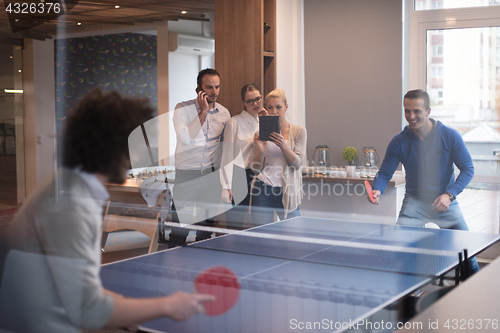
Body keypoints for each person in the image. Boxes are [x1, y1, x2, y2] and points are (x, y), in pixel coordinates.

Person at [0, 90, 214, 333]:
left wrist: (124, 307)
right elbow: (87, 310)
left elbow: (69, 282)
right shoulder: (71, 208)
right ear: (116, 148)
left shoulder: (68, 187)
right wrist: (169, 305)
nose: (144, 152)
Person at [370, 89, 479, 273]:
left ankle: (477, 293)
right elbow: (384, 173)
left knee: (468, 255)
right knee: (403, 254)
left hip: (445, 202)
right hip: (415, 202)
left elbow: (468, 169)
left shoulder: (450, 136)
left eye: (417, 111)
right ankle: (409, 296)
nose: (411, 116)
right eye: (407, 111)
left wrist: (449, 195)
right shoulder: (399, 141)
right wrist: (377, 189)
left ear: (428, 111)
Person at [167, 68, 231, 246]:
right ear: (199, 88)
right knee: (179, 231)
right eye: (209, 87)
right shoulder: (182, 109)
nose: (214, 92)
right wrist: (203, 111)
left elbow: (226, 147)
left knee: (205, 232)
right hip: (186, 176)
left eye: (217, 87)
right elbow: (185, 138)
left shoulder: (224, 114)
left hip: (211, 177)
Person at [250, 88, 307, 225]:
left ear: (286, 107)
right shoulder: (259, 134)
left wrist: (283, 144)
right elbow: (255, 169)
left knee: (294, 237)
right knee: (263, 238)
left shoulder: (299, 131)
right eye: (270, 107)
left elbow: (298, 164)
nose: (274, 111)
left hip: (287, 191)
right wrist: (262, 150)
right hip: (262, 188)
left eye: (278, 107)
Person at [220, 84, 267, 229]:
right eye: (250, 101)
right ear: (244, 103)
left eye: (258, 99)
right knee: (235, 224)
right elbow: (227, 156)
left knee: (259, 223)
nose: (255, 104)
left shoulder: (264, 122)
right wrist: (226, 186)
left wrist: (267, 120)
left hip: (260, 177)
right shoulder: (234, 122)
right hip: (239, 176)